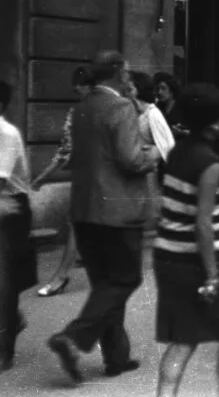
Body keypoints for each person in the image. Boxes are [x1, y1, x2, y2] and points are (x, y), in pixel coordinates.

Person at [48, 51, 160, 383]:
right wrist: (154, 154)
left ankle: (116, 357)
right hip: (117, 209)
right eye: (126, 71)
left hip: (85, 209)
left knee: (106, 285)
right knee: (125, 279)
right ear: (116, 72)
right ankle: (74, 337)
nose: (129, 77)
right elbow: (130, 159)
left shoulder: (82, 108)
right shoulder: (121, 107)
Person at [154, 84, 219, 397]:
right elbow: (203, 224)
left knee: (183, 340)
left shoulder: (177, 152)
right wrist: (211, 276)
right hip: (196, 260)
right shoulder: (210, 164)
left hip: (167, 256)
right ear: (214, 122)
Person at [31, 66, 93, 297]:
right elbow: (65, 152)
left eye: (80, 87)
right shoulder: (84, 113)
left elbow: (63, 153)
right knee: (79, 223)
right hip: (93, 178)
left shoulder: (80, 113)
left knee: (78, 223)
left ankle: (62, 276)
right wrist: (43, 176)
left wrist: (42, 177)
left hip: (92, 178)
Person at [0, 80, 37, 372]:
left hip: (10, 208)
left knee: (5, 282)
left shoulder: (6, 133)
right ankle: (11, 320)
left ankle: (4, 350)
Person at [128, 71, 175, 229]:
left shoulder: (152, 113)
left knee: (148, 219)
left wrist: (154, 150)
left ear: (139, 89)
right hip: (134, 172)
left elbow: (168, 145)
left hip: (148, 174)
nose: (127, 92)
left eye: (130, 88)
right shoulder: (133, 112)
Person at [153, 72, 187, 137]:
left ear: (172, 90)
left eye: (163, 88)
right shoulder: (158, 106)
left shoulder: (182, 106)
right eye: (158, 89)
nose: (159, 92)